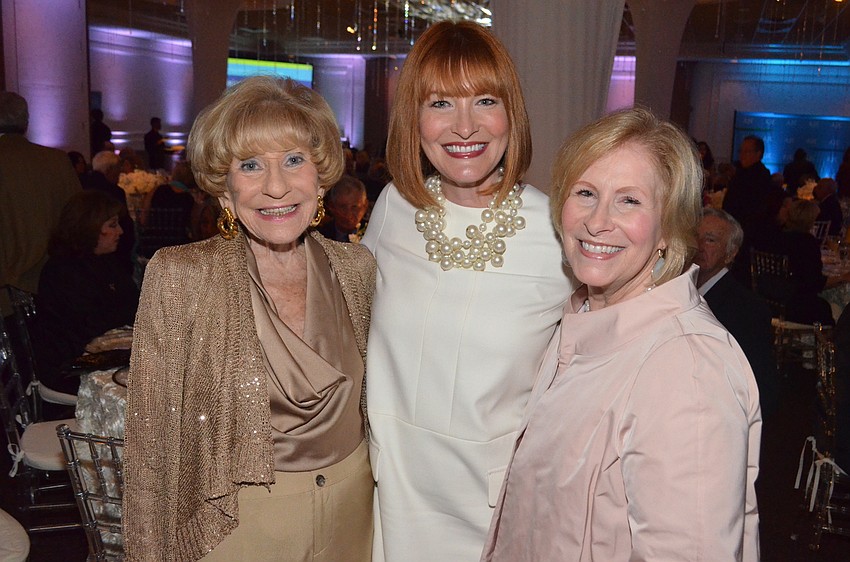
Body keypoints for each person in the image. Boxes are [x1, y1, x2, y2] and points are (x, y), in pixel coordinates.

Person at [482, 108, 761, 561]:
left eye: (629, 200)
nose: (597, 221)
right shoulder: (584, 316)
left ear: (669, 229)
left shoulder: (685, 368)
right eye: (586, 192)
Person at [123, 76, 375, 561]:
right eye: (251, 165)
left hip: (354, 514)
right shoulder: (181, 277)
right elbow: (151, 449)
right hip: (239, 527)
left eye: (294, 160)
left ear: (320, 177)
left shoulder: (357, 268)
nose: (276, 186)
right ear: (224, 188)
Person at [362, 21, 573, 561]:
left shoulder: (556, 232)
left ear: (512, 115)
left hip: (494, 510)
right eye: (439, 103)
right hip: (389, 495)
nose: (463, 126)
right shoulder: (393, 208)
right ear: (414, 118)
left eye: (484, 100)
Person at [31, 190, 138, 395]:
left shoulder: (105, 261)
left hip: (102, 357)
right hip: (72, 367)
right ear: (89, 228)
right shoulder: (63, 271)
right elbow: (93, 326)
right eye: (112, 225)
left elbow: (133, 305)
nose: (121, 232)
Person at [0, 91, 81, 316]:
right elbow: (79, 220)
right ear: (26, 122)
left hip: (5, 294)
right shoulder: (56, 161)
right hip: (53, 285)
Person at [694, 208, 778, 418]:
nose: (699, 245)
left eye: (710, 240)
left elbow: (761, 390)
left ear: (731, 253)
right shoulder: (679, 291)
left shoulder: (747, 309)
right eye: (696, 237)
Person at [723, 135, 785, 284]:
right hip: (739, 230)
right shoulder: (743, 173)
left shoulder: (759, 177)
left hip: (747, 234)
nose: (742, 155)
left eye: (747, 151)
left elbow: (754, 209)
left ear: (759, 154)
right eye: (741, 151)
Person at [778, 199, 848, 325]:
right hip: (798, 305)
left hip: (775, 298)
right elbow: (815, 283)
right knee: (832, 308)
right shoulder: (806, 243)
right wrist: (843, 277)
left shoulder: (780, 237)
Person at [83, 150, 137, 273]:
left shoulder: (81, 184)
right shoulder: (114, 192)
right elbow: (125, 227)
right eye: (118, 169)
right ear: (109, 169)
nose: (120, 173)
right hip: (111, 255)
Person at [319, 175, 369, 242]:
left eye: (354, 207)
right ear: (332, 207)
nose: (348, 214)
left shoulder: (373, 233)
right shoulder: (320, 236)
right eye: (343, 207)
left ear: (365, 206)